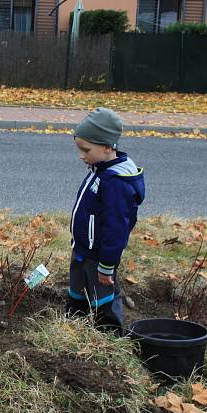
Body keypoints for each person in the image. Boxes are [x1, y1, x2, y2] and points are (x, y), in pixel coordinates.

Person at [67, 107, 145, 335]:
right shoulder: (99, 168)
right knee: (77, 290)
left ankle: (109, 337)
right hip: (82, 248)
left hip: (99, 255)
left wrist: (107, 265)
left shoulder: (116, 182)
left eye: (86, 150)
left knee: (104, 297)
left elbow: (116, 229)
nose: (81, 155)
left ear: (108, 147)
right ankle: (74, 328)